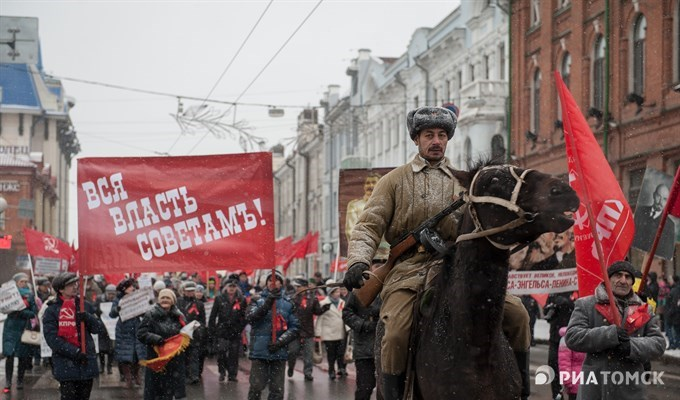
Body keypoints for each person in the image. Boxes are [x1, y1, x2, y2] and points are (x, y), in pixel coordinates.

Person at [344, 106, 463, 398]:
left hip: (455, 268)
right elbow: (368, 227)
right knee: (396, 334)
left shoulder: (463, 181)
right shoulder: (393, 181)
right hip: (407, 271)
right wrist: (359, 261)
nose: (436, 141)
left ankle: (520, 384)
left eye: (442, 135)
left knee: (514, 315)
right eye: (428, 135)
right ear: (416, 139)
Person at [565, 261, 666, 400]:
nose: (623, 281)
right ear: (608, 278)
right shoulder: (587, 304)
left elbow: (658, 343)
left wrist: (631, 346)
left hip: (630, 389)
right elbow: (572, 337)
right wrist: (609, 334)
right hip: (596, 389)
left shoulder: (644, 309)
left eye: (627, 277)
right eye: (618, 275)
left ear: (632, 281)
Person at [42, 272, 105, 400]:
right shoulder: (52, 310)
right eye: (70, 285)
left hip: (86, 362)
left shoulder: (83, 305)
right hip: (66, 364)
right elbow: (52, 339)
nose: (75, 287)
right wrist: (75, 352)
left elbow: (98, 329)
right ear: (60, 289)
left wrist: (87, 317)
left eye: (75, 283)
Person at [246, 270, 299, 400]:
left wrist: (280, 342)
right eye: (270, 280)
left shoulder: (288, 303)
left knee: (277, 390)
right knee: (256, 387)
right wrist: (268, 302)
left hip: (279, 353)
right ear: (266, 282)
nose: (273, 283)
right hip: (259, 352)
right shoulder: (256, 300)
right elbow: (251, 318)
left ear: (281, 283)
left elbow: (295, 327)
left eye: (276, 280)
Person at [137, 289, 187, 400]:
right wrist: (156, 339)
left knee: (169, 391)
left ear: (173, 301)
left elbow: (185, 333)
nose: (165, 300)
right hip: (157, 359)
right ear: (158, 300)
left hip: (173, 360)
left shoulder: (179, 316)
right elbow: (141, 334)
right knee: (156, 392)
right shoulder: (150, 314)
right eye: (162, 298)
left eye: (168, 298)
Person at [2, 272, 38, 393]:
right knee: (9, 355)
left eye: (25, 281)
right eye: (21, 281)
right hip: (10, 329)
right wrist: (12, 310)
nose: (23, 284)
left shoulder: (30, 295)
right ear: (16, 283)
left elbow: (33, 313)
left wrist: (20, 312)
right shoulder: (9, 294)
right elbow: (3, 308)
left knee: (22, 356)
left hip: (23, 329)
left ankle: (20, 380)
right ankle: (8, 381)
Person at [287, 278, 329, 381]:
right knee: (293, 351)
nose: (297, 288)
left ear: (305, 287)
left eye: (299, 286)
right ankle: (291, 367)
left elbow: (317, 311)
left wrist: (324, 309)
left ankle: (308, 372)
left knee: (308, 354)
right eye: (296, 286)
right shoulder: (292, 297)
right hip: (295, 330)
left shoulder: (313, 298)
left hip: (308, 330)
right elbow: (288, 312)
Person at [343, 292, 381, 400]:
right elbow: (347, 314)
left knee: (390, 391)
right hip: (365, 348)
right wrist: (364, 325)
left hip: (388, 348)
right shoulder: (360, 287)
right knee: (365, 388)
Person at [109, 277, 147, 388]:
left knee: (136, 354)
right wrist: (118, 308)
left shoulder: (136, 298)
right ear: (124, 289)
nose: (133, 288)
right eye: (130, 287)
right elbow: (112, 314)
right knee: (125, 355)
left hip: (136, 328)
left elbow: (143, 313)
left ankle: (136, 375)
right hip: (124, 330)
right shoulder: (118, 299)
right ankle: (128, 377)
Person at [209, 276, 247, 382]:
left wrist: (239, 328)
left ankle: (232, 374)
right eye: (230, 286)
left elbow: (244, 317)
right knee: (221, 352)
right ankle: (222, 371)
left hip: (235, 331)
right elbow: (213, 315)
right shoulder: (219, 298)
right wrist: (212, 330)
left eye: (234, 286)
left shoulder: (241, 299)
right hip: (222, 330)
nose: (232, 288)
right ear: (226, 287)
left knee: (234, 354)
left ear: (236, 288)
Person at [544, 291, 575, 400]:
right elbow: (546, 313)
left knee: (572, 369)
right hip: (555, 338)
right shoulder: (553, 294)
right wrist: (552, 306)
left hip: (572, 339)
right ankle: (556, 395)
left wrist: (567, 303)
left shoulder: (576, 292)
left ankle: (573, 395)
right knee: (553, 366)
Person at [632, 183, 676, 260]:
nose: (660, 201)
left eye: (664, 199)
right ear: (653, 195)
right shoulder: (639, 211)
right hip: (635, 257)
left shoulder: (670, 225)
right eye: (658, 196)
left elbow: (667, 255)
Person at [315, 282, 348, 379]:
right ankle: (331, 370)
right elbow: (319, 319)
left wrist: (348, 328)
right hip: (329, 334)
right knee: (331, 354)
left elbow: (346, 316)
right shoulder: (323, 303)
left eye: (339, 291)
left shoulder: (343, 303)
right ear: (331, 293)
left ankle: (341, 368)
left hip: (341, 332)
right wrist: (318, 333)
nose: (338, 293)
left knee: (341, 352)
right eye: (336, 291)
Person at [177, 280, 206, 385]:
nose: (190, 293)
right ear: (184, 291)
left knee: (194, 355)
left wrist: (198, 329)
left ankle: (194, 375)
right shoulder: (178, 302)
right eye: (188, 291)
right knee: (182, 356)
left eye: (192, 291)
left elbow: (202, 320)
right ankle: (184, 375)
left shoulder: (199, 304)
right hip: (181, 334)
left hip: (194, 333)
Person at [558, 326, 585, 400]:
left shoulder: (588, 337)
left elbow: (564, 362)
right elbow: (564, 362)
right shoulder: (567, 340)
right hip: (576, 382)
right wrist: (567, 381)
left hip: (584, 382)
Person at [95, 284, 117, 375]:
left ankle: (109, 367)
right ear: (106, 293)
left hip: (112, 327)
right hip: (102, 326)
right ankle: (102, 366)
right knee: (101, 349)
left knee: (111, 349)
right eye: (110, 294)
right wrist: (99, 311)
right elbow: (95, 309)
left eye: (113, 294)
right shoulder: (100, 299)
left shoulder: (116, 301)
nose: (111, 296)